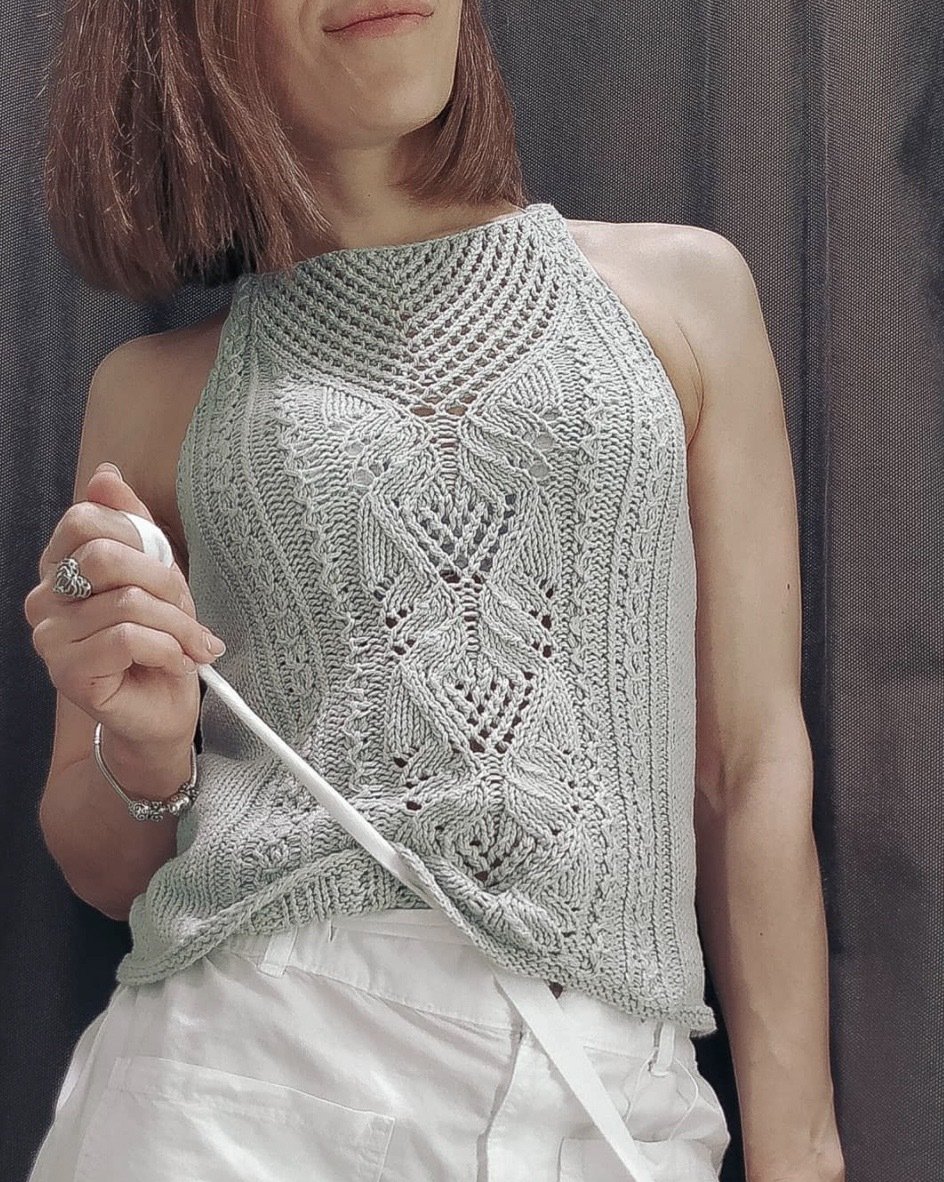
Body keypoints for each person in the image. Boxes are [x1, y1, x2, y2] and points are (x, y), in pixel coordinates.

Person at [24, 1, 845, 1179]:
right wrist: (148, 755)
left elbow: (750, 762)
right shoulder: (149, 394)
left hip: (607, 1099)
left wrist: (800, 1155)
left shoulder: (682, 294)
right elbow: (104, 870)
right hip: (240, 1080)